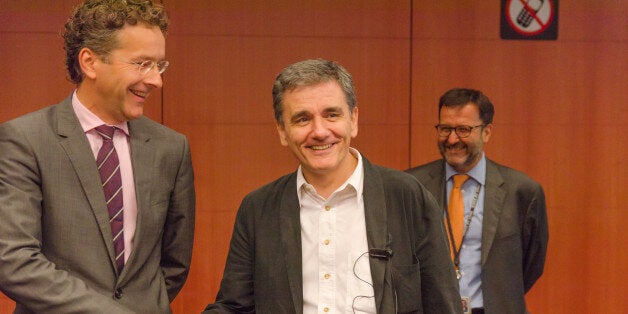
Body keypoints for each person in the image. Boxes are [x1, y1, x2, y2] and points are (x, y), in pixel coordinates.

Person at [203, 59, 461, 313]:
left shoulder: (407, 197)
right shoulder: (258, 209)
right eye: (302, 119)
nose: (319, 131)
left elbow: (442, 304)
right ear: (282, 131)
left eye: (332, 115)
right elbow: (234, 307)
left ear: (353, 119)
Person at [0, 0, 195, 313]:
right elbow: (13, 260)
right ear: (90, 62)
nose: (156, 80)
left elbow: (173, 264)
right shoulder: (25, 140)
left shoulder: (171, 148)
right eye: (142, 64)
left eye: (159, 65)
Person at [406, 88, 548, 314]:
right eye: (445, 129)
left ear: (487, 132)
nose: (452, 139)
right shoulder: (411, 186)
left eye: (463, 129)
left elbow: (531, 265)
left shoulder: (522, 191)